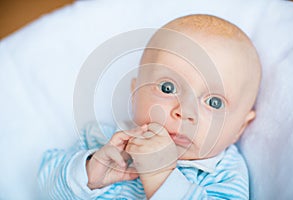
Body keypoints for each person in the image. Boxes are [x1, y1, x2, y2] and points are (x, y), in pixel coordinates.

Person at [38, 14, 261, 199]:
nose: (184, 111)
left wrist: (162, 176)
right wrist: (88, 174)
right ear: (135, 94)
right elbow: (45, 185)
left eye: (214, 102)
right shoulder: (103, 139)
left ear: (240, 128)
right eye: (167, 87)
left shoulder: (224, 173)